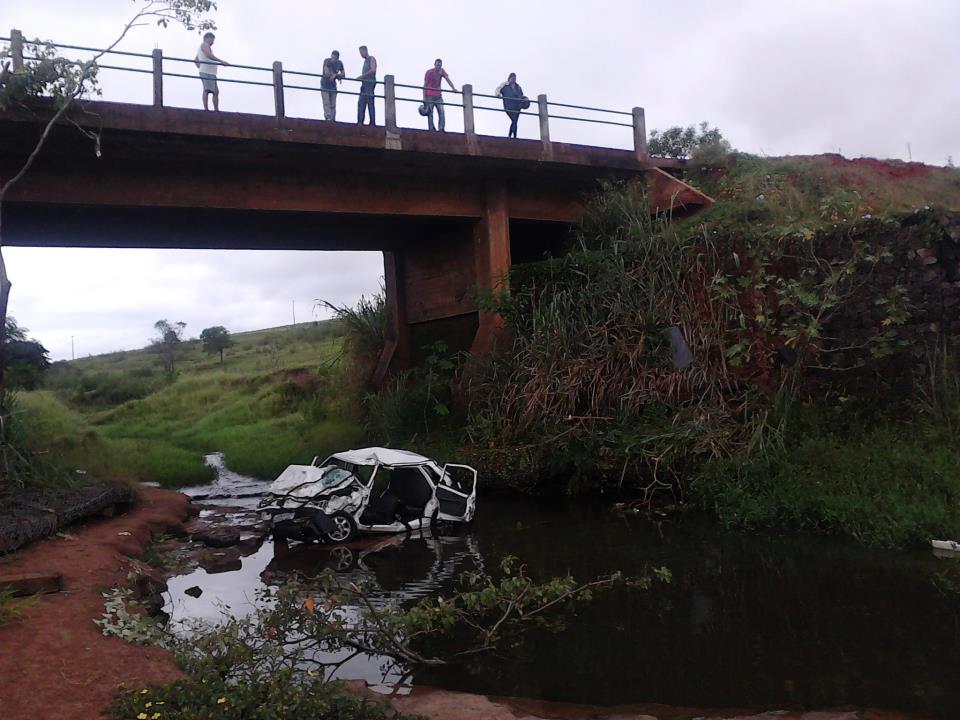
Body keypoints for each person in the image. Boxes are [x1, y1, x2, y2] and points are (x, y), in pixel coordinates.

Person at [194, 32, 228, 111]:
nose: (213, 42)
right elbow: (208, 55)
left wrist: (201, 67)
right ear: (207, 38)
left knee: (215, 91)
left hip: (209, 72)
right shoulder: (204, 45)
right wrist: (221, 61)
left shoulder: (203, 47)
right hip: (207, 72)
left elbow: (195, 60)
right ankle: (206, 109)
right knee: (207, 90)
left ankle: (216, 110)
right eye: (212, 39)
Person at [422, 58, 456, 132]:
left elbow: (448, 79)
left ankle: (441, 128)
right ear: (434, 65)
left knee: (441, 112)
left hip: (438, 96)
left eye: (440, 65)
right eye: (437, 65)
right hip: (429, 95)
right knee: (430, 112)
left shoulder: (441, 71)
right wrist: (424, 97)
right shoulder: (429, 72)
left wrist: (453, 88)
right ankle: (431, 128)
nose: (438, 67)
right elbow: (425, 85)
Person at [495, 73, 525, 138]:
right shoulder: (505, 85)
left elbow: (522, 96)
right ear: (509, 78)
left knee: (515, 121)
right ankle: (513, 136)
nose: (514, 80)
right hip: (508, 106)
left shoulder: (518, 87)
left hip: (517, 107)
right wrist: (498, 95)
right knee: (514, 120)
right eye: (512, 78)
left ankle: (512, 136)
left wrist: (524, 102)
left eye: (515, 78)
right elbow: (498, 90)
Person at [321, 50, 345, 121]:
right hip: (324, 85)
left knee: (333, 104)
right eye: (332, 57)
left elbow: (343, 74)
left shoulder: (339, 63)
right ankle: (327, 117)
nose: (333, 59)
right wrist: (336, 75)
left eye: (335, 58)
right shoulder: (327, 61)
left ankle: (332, 119)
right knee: (326, 102)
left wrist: (335, 75)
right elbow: (326, 72)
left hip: (333, 86)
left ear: (337, 58)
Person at [356, 46, 377, 126]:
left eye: (361, 52)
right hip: (364, 84)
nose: (361, 54)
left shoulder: (371, 58)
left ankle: (372, 122)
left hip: (370, 83)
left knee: (370, 102)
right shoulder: (365, 61)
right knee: (361, 102)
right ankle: (360, 121)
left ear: (365, 51)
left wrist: (362, 76)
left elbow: (373, 69)